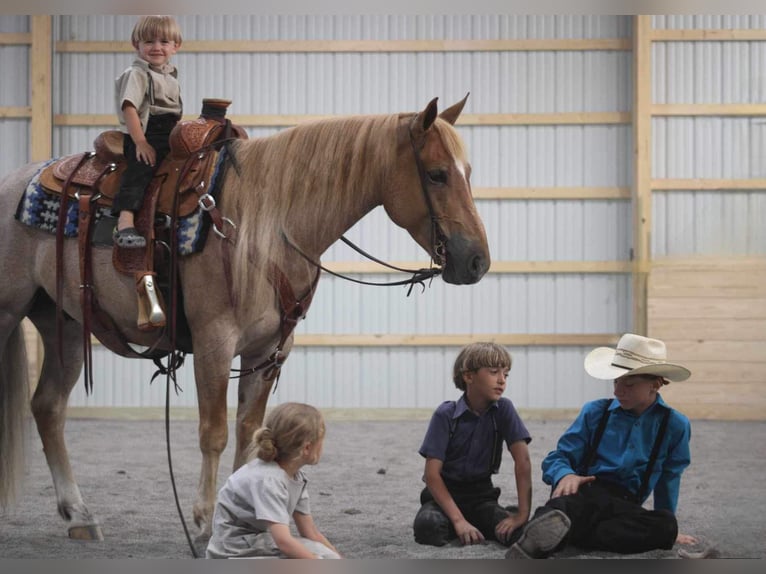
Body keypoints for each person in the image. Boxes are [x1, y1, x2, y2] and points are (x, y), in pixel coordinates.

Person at [506, 333, 700, 559]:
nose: (618, 391)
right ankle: (538, 540)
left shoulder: (675, 424)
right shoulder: (595, 412)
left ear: (655, 385)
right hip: (584, 491)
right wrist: (566, 475)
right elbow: (557, 457)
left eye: (629, 384)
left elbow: (669, 478)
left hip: (624, 505)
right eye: (616, 381)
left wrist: (671, 530)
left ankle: (565, 535)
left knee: (665, 525)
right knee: (565, 508)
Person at [413, 342, 532, 547]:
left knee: (517, 533)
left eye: (506, 374)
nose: (502, 380)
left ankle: (501, 515)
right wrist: (459, 521)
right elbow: (432, 475)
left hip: (482, 497)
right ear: (468, 376)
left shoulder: (504, 409)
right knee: (428, 527)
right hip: (443, 497)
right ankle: (461, 522)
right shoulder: (445, 415)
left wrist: (522, 514)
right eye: (494, 372)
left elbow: (523, 462)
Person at [206, 402, 341, 559]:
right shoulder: (269, 480)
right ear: (306, 448)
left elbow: (311, 533)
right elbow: (284, 542)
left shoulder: (296, 476)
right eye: (321, 440)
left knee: (327, 556)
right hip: (232, 551)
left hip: (257, 542)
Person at [112, 15, 183, 248]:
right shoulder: (137, 74)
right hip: (146, 132)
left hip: (169, 131)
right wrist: (140, 142)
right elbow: (129, 107)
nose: (156, 47)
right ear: (136, 44)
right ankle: (125, 220)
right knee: (141, 168)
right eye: (149, 42)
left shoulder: (169, 75)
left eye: (164, 42)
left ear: (176, 46)